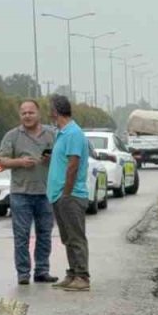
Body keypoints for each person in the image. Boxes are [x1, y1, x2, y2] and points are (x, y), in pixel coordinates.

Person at [0, 99, 58, 286]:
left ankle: (42, 270)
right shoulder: (12, 136)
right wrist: (19, 162)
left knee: (45, 233)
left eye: (31, 112)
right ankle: (23, 273)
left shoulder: (51, 134)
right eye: (24, 113)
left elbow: (63, 156)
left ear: (38, 114)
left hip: (46, 192)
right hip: (21, 193)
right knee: (21, 235)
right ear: (20, 116)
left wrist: (51, 158)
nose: (27, 116)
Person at [47, 95, 92, 292]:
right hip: (59, 195)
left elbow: (73, 165)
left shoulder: (73, 133)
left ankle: (82, 276)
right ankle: (72, 272)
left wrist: (66, 193)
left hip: (71, 196)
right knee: (68, 238)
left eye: (51, 109)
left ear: (56, 111)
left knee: (76, 237)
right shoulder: (62, 133)